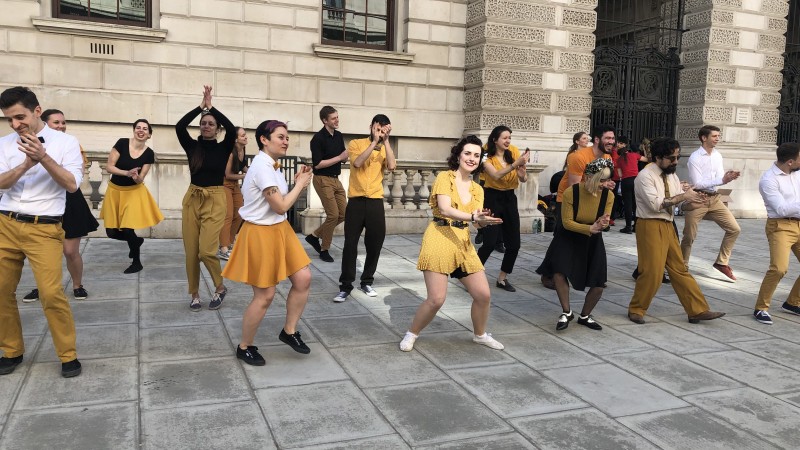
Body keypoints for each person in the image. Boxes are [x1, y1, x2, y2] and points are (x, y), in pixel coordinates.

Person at [0, 86, 83, 377]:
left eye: (19, 117)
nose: (15, 124)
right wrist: (25, 164)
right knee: (1, 290)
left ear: (37, 111)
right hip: (6, 224)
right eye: (9, 119)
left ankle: (68, 354)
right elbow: (1, 182)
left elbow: (72, 184)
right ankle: (11, 350)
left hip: (44, 228)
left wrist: (44, 157)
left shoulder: (66, 142)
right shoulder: (5, 143)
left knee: (50, 293)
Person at [399, 136, 505, 352]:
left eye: (476, 155)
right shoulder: (444, 178)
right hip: (439, 236)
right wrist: (475, 218)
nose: (472, 158)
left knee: (483, 295)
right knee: (436, 299)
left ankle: (480, 334)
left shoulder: (478, 189)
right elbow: (445, 209)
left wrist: (482, 222)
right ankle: (412, 333)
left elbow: (474, 223)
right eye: (467, 153)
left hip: (462, 240)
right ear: (458, 155)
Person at [223, 120, 313, 365]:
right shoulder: (262, 166)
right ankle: (245, 346)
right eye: (281, 137)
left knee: (303, 278)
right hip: (260, 233)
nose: (286, 141)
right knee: (265, 295)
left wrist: (296, 181)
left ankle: (289, 331)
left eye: (286, 137)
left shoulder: (271, 165)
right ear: (264, 139)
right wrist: (301, 185)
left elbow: (279, 201)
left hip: (280, 229)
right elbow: (281, 205)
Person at [627, 137, 725, 325]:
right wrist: (683, 195)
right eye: (671, 158)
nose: (675, 162)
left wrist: (693, 202)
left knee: (680, 269)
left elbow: (677, 205)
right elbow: (657, 204)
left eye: (677, 157)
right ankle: (636, 309)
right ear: (658, 157)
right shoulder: (645, 176)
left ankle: (697, 310)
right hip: (649, 224)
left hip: (668, 225)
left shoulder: (671, 175)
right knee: (652, 271)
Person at [22, 109, 98, 302]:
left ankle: (77, 285)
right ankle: (43, 287)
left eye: (63, 122)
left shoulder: (72, 145)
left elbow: (75, 178)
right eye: (56, 122)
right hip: (43, 201)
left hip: (70, 201)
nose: (61, 126)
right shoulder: (29, 143)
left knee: (70, 251)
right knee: (44, 252)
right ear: (45, 124)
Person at [176, 85, 234, 312]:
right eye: (203, 123)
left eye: (211, 124)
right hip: (192, 198)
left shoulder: (224, 146)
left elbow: (231, 127)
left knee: (207, 251)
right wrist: (200, 107)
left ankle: (219, 287)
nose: (207, 126)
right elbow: (180, 126)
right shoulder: (192, 146)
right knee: (191, 252)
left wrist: (211, 107)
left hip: (215, 199)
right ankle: (195, 294)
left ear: (217, 129)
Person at [537, 158, 614, 331]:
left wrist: (603, 223)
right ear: (588, 177)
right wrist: (590, 228)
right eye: (601, 180)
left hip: (593, 238)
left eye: (607, 180)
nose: (605, 184)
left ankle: (585, 316)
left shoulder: (609, 196)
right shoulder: (572, 192)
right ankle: (567, 311)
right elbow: (566, 222)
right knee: (559, 272)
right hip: (569, 236)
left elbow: (606, 221)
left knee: (599, 282)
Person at [539, 125, 616, 289]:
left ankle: (589, 274)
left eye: (613, 138)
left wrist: (606, 184)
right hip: (568, 198)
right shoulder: (579, 157)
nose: (612, 142)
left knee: (588, 236)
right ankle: (548, 273)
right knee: (562, 235)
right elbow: (574, 186)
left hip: (592, 198)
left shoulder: (608, 158)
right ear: (597, 140)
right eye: (608, 138)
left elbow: (601, 179)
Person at [334, 114, 396, 302]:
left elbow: (392, 166)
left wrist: (386, 142)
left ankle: (367, 281)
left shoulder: (386, 148)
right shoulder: (356, 143)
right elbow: (357, 163)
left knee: (375, 242)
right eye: (377, 127)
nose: (379, 131)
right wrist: (374, 142)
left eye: (383, 128)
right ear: (371, 126)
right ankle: (345, 286)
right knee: (350, 244)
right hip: (356, 201)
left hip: (375, 201)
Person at [99, 119, 163, 274]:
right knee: (112, 232)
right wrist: (126, 173)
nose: (141, 130)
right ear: (134, 130)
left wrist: (135, 177)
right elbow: (109, 166)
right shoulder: (121, 143)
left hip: (134, 192)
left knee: (128, 228)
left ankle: (137, 262)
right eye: (138, 127)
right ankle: (137, 241)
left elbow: (141, 178)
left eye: (145, 129)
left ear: (149, 135)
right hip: (115, 191)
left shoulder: (149, 154)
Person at [681, 125, 741, 281]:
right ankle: (682, 267)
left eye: (718, 136)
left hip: (714, 199)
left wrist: (727, 176)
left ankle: (722, 263)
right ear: (704, 138)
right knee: (689, 237)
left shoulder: (717, 155)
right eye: (714, 136)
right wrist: (722, 179)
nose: (717, 139)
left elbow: (719, 177)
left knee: (734, 229)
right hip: (698, 199)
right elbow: (698, 183)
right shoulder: (695, 157)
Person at [477, 125, 529, 292]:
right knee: (490, 243)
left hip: (509, 198)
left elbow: (523, 178)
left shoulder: (513, 151)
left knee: (514, 244)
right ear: (495, 139)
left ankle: (502, 278)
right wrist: (515, 165)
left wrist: (522, 175)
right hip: (491, 197)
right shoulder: (485, 153)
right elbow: (495, 175)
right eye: (504, 138)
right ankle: (472, 275)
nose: (508, 141)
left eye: (509, 138)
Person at [753, 142, 800, 325]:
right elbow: (781, 209)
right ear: (790, 161)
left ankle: (793, 302)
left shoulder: (797, 174)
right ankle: (761, 308)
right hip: (780, 226)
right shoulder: (768, 180)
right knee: (779, 268)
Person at [305, 105, 348, 263]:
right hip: (322, 179)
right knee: (333, 215)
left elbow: (343, 157)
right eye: (333, 118)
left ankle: (314, 236)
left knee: (344, 214)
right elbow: (317, 164)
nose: (337, 120)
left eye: (337, 117)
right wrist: (339, 157)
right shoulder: (317, 139)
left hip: (336, 179)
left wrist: (345, 156)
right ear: (325, 120)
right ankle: (325, 249)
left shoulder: (338, 135)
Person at [217, 127, 248, 261]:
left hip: (235, 186)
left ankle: (228, 243)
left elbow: (244, 167)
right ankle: (223, 248)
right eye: (243, 135)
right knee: (228, 216)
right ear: (236, 139)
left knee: (240, 213)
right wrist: (244, 176)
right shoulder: (231, 152)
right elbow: (228, 174)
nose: (246, 137)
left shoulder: (242, 151)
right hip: (224, 184)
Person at [614, 136, 640, 234]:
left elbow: (620, 174)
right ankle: (636, 226)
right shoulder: (634, 155)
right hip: (636, 180)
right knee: (636, 204)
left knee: (628, 204)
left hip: (626, 181)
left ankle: (628, 227)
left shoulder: (619, 160)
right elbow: (646, 159)